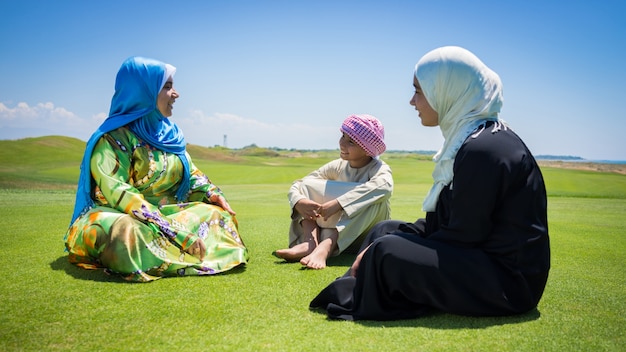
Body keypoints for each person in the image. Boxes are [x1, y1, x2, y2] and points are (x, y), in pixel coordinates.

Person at [310, 46, 550, 320]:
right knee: (384, 230)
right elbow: (452, 223)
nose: (413, 101)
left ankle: (362, 286)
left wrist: (388, 248)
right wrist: (394, 238)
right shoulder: (468, 141)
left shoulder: (485, 149)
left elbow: (465, 236)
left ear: (446, 91)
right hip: (478, 257)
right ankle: (359, 284)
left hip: (505, 282)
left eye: (419, 91)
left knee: (386, 250)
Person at [64, 56, 249, 282]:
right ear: (144, 92)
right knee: (125, 233)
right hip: (122, 216)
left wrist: (212, 194)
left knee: (216, 215)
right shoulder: (111, 139)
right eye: (168, 87)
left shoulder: (169, 135)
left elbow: (190, 175)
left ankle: (174, 255)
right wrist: (171, 230)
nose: (176, 94)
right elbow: (120, 193)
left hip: (166, 213)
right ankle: (184, 253)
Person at [274, 114, 393, 269]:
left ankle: (325, 248)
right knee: (306, 185)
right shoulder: (337, 166)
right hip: (327, 231)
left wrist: (338, 204)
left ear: (367, 150)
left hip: (361, 237)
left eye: (351, 141)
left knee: (376, 199)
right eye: (343, 136)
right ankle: (309, 242)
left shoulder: (379, 169)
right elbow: (300, 185)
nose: (342, 143)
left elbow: (385, 187)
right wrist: (299, 202)